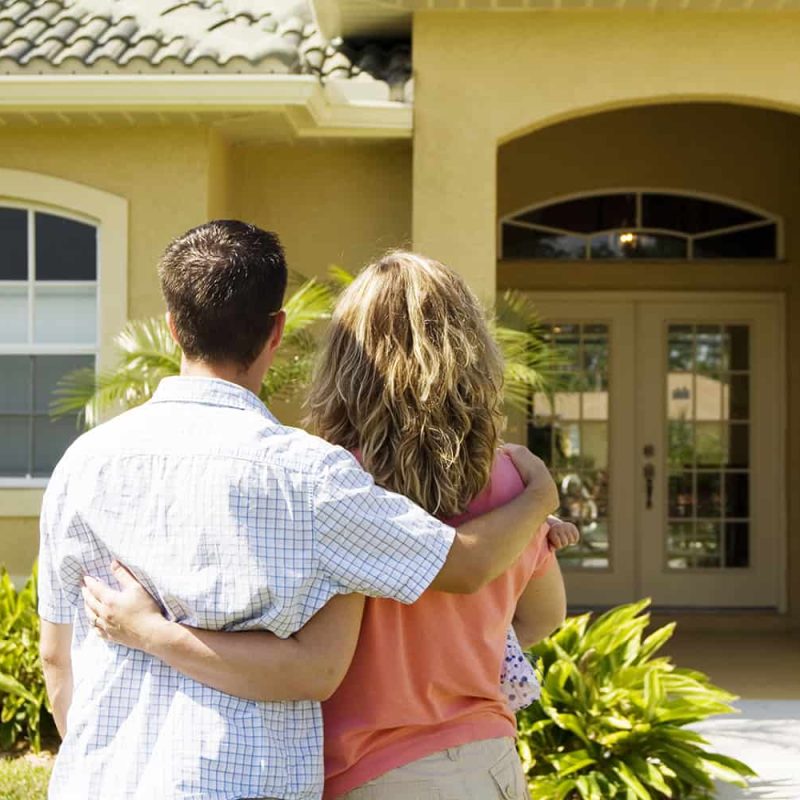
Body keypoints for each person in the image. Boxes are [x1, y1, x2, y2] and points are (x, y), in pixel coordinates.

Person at [38, 223, 558, 800]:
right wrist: (540, 499)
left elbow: (57, 660)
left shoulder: (81, 463)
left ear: (170, 327)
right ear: (276, 331)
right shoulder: (312, 478)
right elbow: (482, 584)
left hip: (108, 782)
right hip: (432, 765)